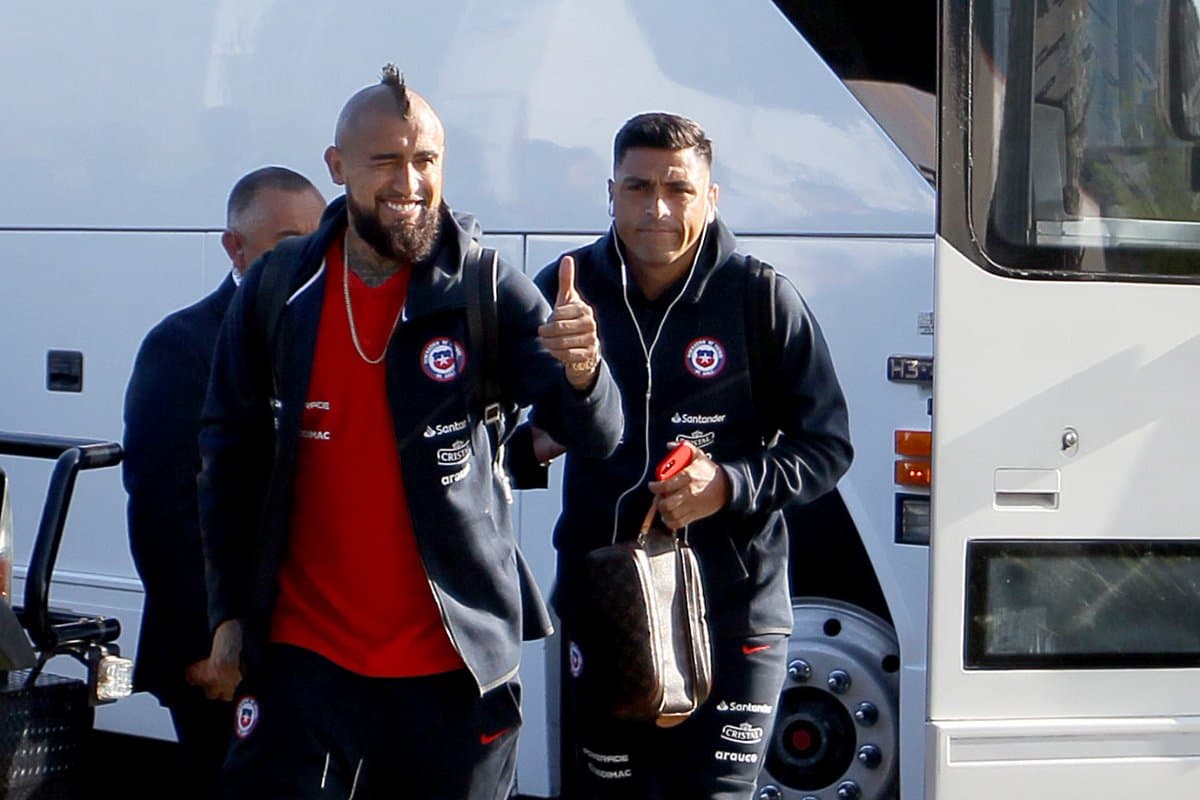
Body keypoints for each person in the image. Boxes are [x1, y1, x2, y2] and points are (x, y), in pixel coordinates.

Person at [197, 67, 622, 800]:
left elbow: (597, 436)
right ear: (338, 168)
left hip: (454, 670)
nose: (410, 181)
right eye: (386, 161)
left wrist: (586, 374)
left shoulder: (486, 287)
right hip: (305, 663)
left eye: (425, 159)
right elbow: (228, 455)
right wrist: (229, 611)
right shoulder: (280, 288)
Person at [531, 112, 853, 799]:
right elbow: (522, 437)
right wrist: (562, 401)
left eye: (678, 189)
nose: (656, 209)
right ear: (610, 193)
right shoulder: (564, 291)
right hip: (606, 604)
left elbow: (827, 447)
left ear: (712, 196)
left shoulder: (761, 296)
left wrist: (730, 485)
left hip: (734, 608)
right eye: (637, 187)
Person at [123, 166, 326, 798]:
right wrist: (211, 644)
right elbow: (165, 513)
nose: (308, 259)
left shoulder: (331, 337)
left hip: (312, 647)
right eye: (288, 242)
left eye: (319, 242)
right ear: (234, 248)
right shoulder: (182, 346)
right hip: (220, 659)